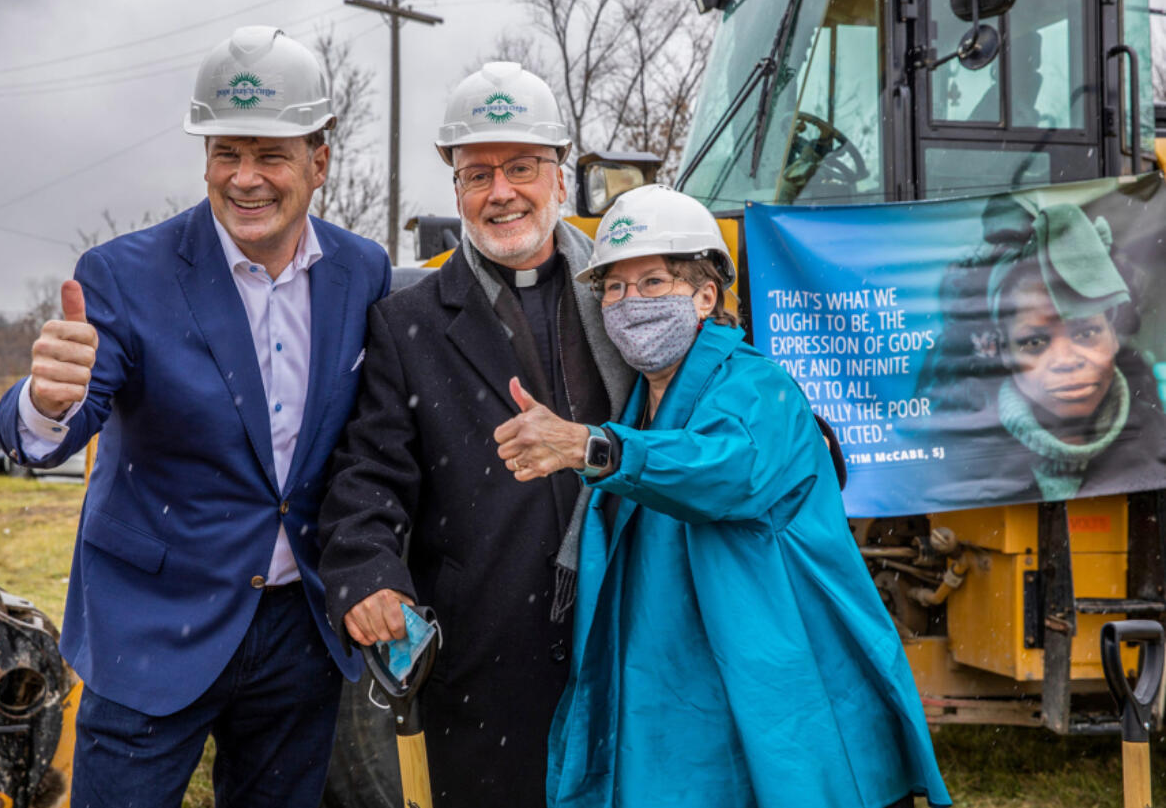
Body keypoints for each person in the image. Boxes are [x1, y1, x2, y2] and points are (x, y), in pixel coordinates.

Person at [0, 26, 390, 808]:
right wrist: (44, 401)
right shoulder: (124, 274)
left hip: (297, 634)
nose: (245, 179)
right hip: (152, 625)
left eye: (270, 155)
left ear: (320, 160)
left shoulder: (362, 270)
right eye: (224, 153)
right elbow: (57, 423)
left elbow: (370, 440)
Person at [495, 184, 952, 808]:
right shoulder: (640, 406)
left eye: (653, 283)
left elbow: (722, 470)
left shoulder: (759, 387)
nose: (630, 304)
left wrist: (592, 448)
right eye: (616, 289)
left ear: (706, 296)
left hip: (764, 687)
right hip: (672, 699)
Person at [317, 62, 634, 807]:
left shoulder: (623, 297)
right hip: (486, 654)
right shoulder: (409, 322)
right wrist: (366, 570)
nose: (501, 192)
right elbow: (369, 474)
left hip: (622, 629)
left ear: (559, 176)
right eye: (477, 173)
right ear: (455, 188)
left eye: (522, 167)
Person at [917, 198, 1166, 505]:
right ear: (1002, 351)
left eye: (1086, 333)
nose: (1066, 361)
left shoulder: (1156, 445)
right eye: (1034, 342)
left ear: (1114, 336)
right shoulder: (949, 464)